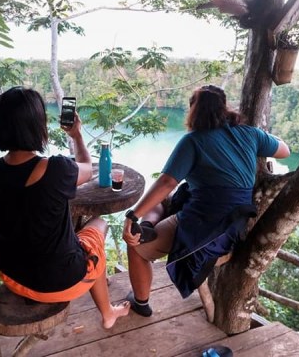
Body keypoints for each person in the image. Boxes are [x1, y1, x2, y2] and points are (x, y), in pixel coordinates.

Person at [122, 85, 290, 317]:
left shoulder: (193, 141)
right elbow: (285, 151)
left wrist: (132, 215)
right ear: (224, 108)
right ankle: (149, 226)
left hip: (209, 228)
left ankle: (141, 301)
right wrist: (266, 137)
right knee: (168, 200)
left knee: (137, 247)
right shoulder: (251, 134)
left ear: (193, 110)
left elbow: (167, 182)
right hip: (235, 224)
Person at [0, 87, 130, 329]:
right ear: (36, 125)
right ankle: (108, 312)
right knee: (99, 225)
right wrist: (77, 135)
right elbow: (87, 167)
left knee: (79, 243)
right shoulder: (55, 169)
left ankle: (100, 288)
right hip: (58, 284)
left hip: (12, 276)